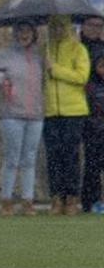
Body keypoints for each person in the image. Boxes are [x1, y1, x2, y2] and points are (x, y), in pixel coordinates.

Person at [0, 21, 44, 216]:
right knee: (12, 159)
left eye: (27, 31)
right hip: (12, 115)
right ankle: (6, 199)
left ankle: (28, 200)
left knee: (29, 158)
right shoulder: (6, 55)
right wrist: (3, 79)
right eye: (20, 31)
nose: (24, 35)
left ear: (33, 34)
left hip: (35, 115)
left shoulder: (38, 57)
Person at [44, 15, 90, 216]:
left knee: (71, 157)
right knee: (53, 157)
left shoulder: (78, 49)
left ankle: (72, 198)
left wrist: (55, 69)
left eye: (61, 26)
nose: (57, 30)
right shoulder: (46, 49)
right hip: (51, 111)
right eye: (54, 26)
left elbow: (81, 76)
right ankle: (56, 197)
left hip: (74, 111)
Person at [79, 16, 104, 213]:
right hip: (83, 108)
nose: (96, 29)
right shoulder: (78, 47)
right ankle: (88, 200)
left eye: (99, 26)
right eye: (92, 25)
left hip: (100, 107)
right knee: (91, 160)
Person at [83, 55, 104, 214]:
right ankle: (92, 201)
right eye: (101, 65)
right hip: (94, 132)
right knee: (93, 169)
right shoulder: (90, 86)